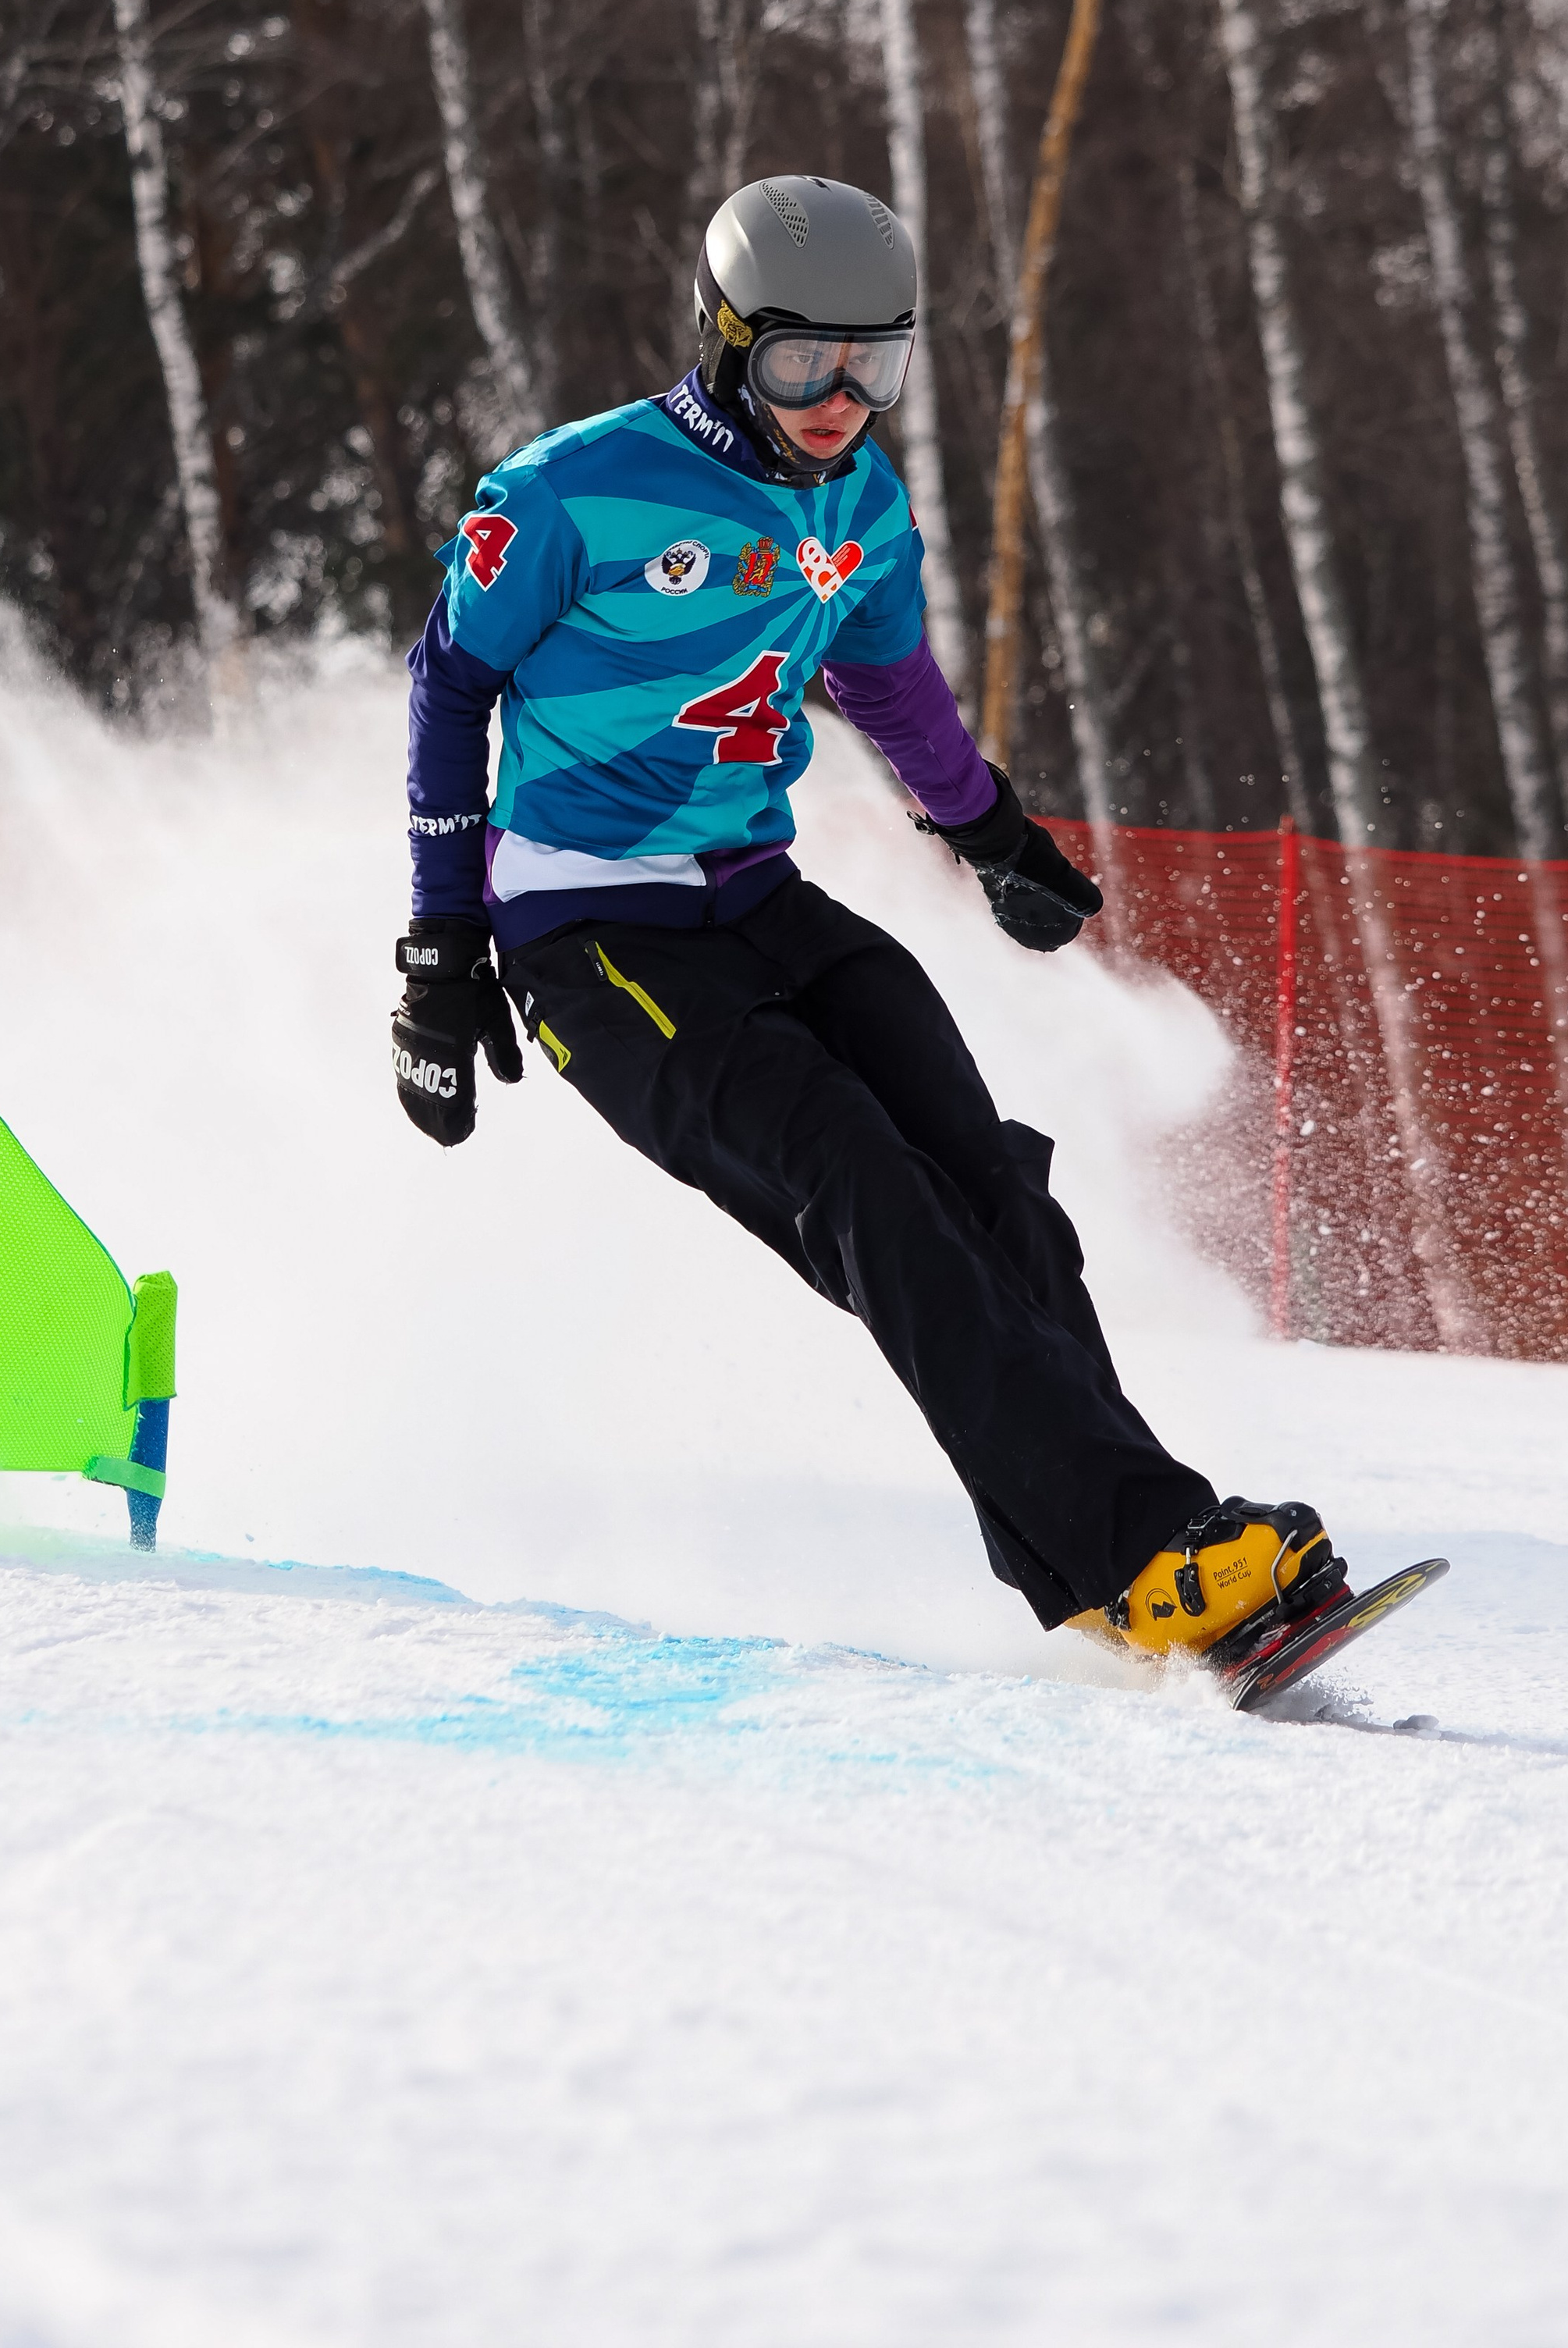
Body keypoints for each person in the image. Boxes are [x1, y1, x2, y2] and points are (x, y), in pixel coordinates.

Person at [392, 175, 1342, 1665]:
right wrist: (442, 950)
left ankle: (1135, 1558)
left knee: (988, 1181)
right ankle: (1137, 1549)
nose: (840, 401)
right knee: (863, 1184)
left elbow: (889, 685)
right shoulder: (567, 496)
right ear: (722, 340)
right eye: (800, 363)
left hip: (758, 896)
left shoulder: (861, 505)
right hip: (593, 939)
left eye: (875, 365)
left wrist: (990, 832)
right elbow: (451, 686)